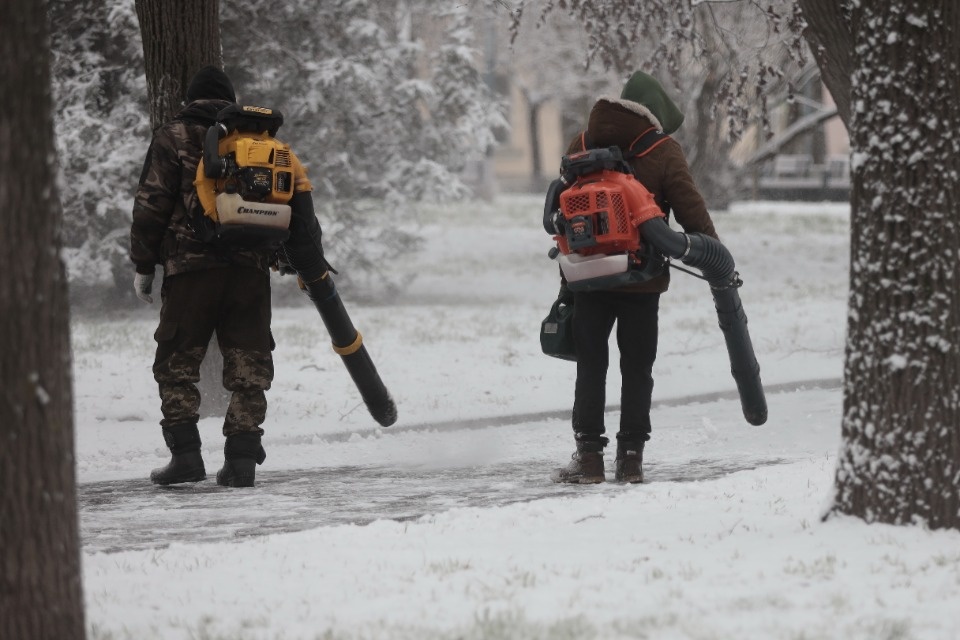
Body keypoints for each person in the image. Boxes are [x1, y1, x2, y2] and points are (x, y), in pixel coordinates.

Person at [130, 65, 329, 488]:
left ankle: (185, 456)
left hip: (191, 270)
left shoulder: (173, 136)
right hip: (249, 270)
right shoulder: (259, 141)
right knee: (249, 362)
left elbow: (151, 204)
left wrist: (144, 265)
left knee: (177, 362)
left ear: (191, 99)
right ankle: (241, 460)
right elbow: (292, 200)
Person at [551, 71, 719, 485]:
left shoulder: (583, 142)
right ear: (655, 116)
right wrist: (714, 255)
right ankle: (630, 459)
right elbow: (691, 212)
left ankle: (588, 459)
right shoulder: (664, 150)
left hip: (587, 274)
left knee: (590, 365)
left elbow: (560, 205)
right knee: (637, 367)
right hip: (641, 278)